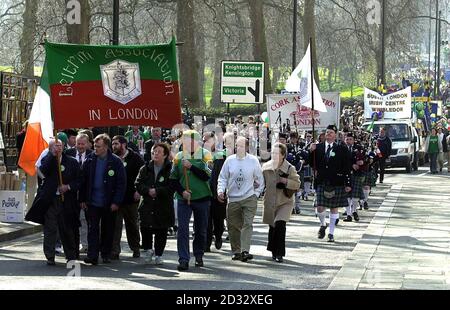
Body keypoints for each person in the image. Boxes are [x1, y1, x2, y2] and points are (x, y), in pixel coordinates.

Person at [26, 138, 80, 265]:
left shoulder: (71, 162)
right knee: (50, 228)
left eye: (60, 145)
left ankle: (70, 255)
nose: (58, 148)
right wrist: (52, 156)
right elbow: (42, 171)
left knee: (67, 228)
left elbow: (79, 180)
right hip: (51, 200)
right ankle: (50, 256)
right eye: (55, 146)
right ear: (50, 149)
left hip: (66, 200)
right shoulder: (47, 160)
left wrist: (67, 187)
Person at [79, 134, 126, 265]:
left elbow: (121, 184)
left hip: (109, 203)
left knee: (108, 229)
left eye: (98, 146)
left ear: (106, 147)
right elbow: (83, 181)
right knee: (92, 229)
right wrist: (82, 199)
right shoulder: (89, 160)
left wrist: (116, 201)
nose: (95, 149)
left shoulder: (115, 161)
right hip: (92, 202)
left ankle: (105, 254)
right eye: (94, 146)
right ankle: (92, 255)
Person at [169, 130, 212, 271]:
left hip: (202, 198)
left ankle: (199, 255)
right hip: (183, 199)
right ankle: (183, 259)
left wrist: (191, 167)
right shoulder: (178, 157)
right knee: (182, 229)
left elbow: (207, 176)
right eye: (185, 140)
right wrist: (182, 192)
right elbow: (173, 179)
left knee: (200, 229)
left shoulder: (205, 155)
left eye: (190, 140)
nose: (187, 142)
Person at [217, 136, 264, 262]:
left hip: (249, 197)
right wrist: (220, 190)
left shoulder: (253, 161)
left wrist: (257, 193)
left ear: (247, 147)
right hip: (233, 198)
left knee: (247, 224)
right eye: (237, 145)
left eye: (242, 146)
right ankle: (236, 251)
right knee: (233, 226)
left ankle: (245, 251)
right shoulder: (229, 161)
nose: (239, 148)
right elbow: (222, 178)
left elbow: (260, 178)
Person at [309, 125, 352, 242]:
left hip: (336, 182)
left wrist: (348, 183)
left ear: (335, 135)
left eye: (331, 132)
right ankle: (323, 224)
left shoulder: (342, 149)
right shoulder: (317, 147)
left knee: (334, 208)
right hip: (322, 181)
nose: (328, 134)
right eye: (327, 132)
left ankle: (331, 234)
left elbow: (347, 167)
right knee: (319, 207)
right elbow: (311, 163)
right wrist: (310, 151)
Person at [135, 143, 175, 265]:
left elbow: (172, 186)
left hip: (163, 205)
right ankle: (148, 250)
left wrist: (157, 191)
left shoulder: (170, 169)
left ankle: (159, 254)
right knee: (145, 228)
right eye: (153, 151)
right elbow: (138, 183)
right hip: (147, 205)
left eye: (158, 152)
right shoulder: (145, 168)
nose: (155, 154)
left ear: (165, 155)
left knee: (161, 231)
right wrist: (147, 191)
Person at [262, 143, 300, 263]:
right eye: (273, 153)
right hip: (270, 201)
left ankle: (279, 253)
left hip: (285, 201)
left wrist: (286, 181)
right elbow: (260, 181)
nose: (274, 155)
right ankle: (273, 250)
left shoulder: (290, 168)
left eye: (277, 153)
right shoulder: (265, 167)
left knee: (280, 224)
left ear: (283, 155)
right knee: (272, 226)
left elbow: (297, 184)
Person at [111, 135, 145, 259]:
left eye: (116, 144)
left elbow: (143, 176)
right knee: (115, 225)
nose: (113, 146)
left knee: (132, 225)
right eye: (113, 144)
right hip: (116, 199)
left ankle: (135, 248)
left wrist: (139, 191)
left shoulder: (135, 158)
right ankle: (114, 251)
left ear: (123, 144)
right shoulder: (112, 158)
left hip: (131, 198)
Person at [206, 132, 234, 252]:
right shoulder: (201, 154)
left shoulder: (221, 156)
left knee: (218, 219)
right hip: (205, 192)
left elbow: (220, 175)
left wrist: (219, 191)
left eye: (208, 140)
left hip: (217, 192)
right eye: (204, 140)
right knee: (206, 219)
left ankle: (218, 236)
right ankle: (206, 244)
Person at [66, 133, 92, 253]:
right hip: (70, 194)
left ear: (87, 144)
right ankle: (72, 246)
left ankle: (85, 244)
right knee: (71, 221)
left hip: (85, 194)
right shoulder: (68, 154)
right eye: (78, 144)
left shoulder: (92, 155)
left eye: (83, 144)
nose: (80, 146)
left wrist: (85, 198)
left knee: (84, 220)